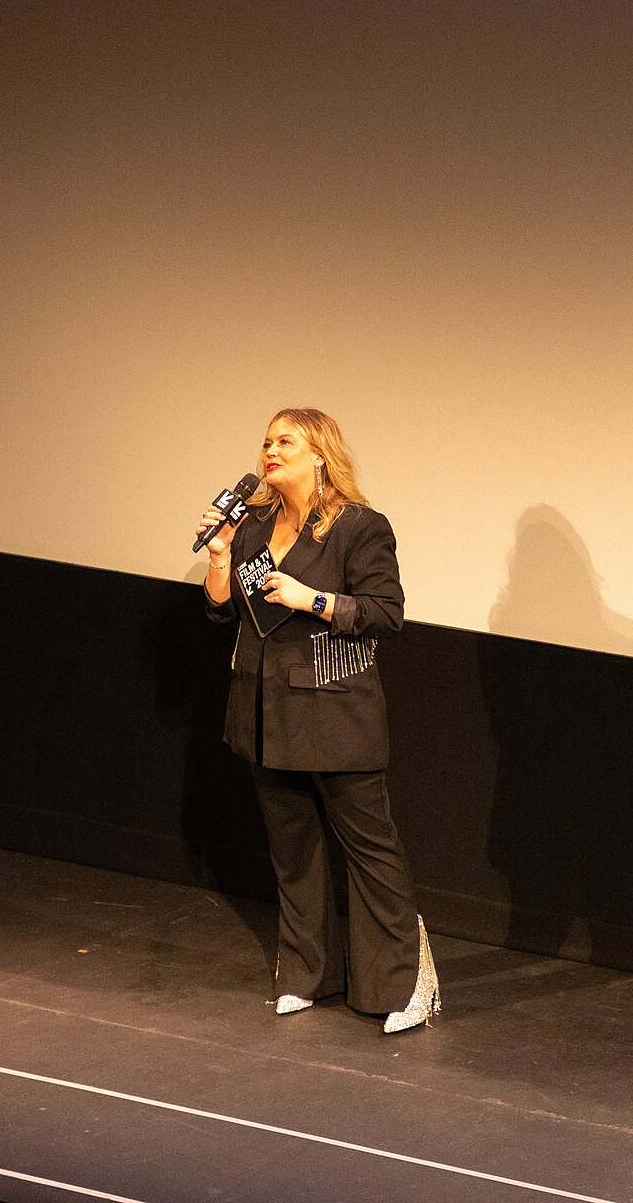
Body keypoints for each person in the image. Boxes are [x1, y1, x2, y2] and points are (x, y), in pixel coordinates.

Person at [196, 407, 440, 1033]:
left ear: (319, 454)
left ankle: (405, 985)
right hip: (264, 711)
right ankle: (307, 974)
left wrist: (315, 600)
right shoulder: (250, 526)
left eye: (286, 441)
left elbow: (386, 614)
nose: (270, 451)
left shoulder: (359, 528)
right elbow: (227, 611)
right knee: (293, 851)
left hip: (335, 712)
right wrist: (221, 555)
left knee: (369, 851)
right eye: (267, 441)